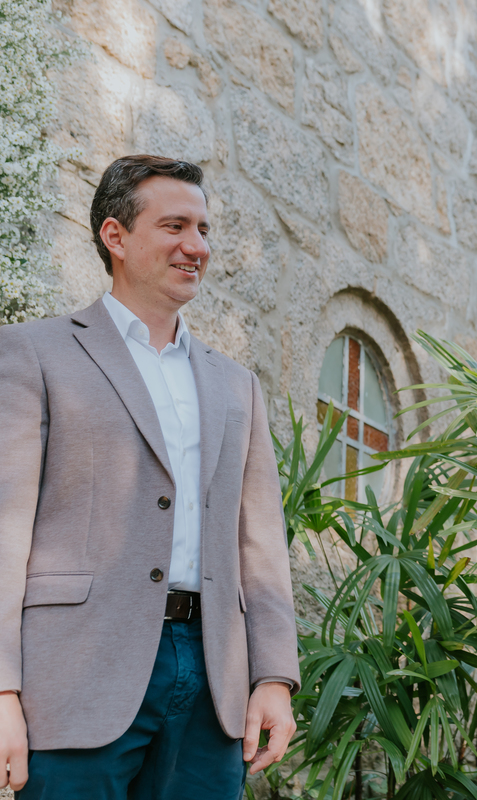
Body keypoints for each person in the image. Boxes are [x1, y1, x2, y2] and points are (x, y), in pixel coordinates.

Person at [0, 155, 300, 799]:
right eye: (175, 226)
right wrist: (2, 691)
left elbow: (261, 545)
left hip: (211, 675)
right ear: (116, 237)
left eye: (204, 229)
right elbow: (5, 532)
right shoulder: (32, 353)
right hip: (75, 678)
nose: (197, 247)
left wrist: (274, 676)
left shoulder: (236, 385)